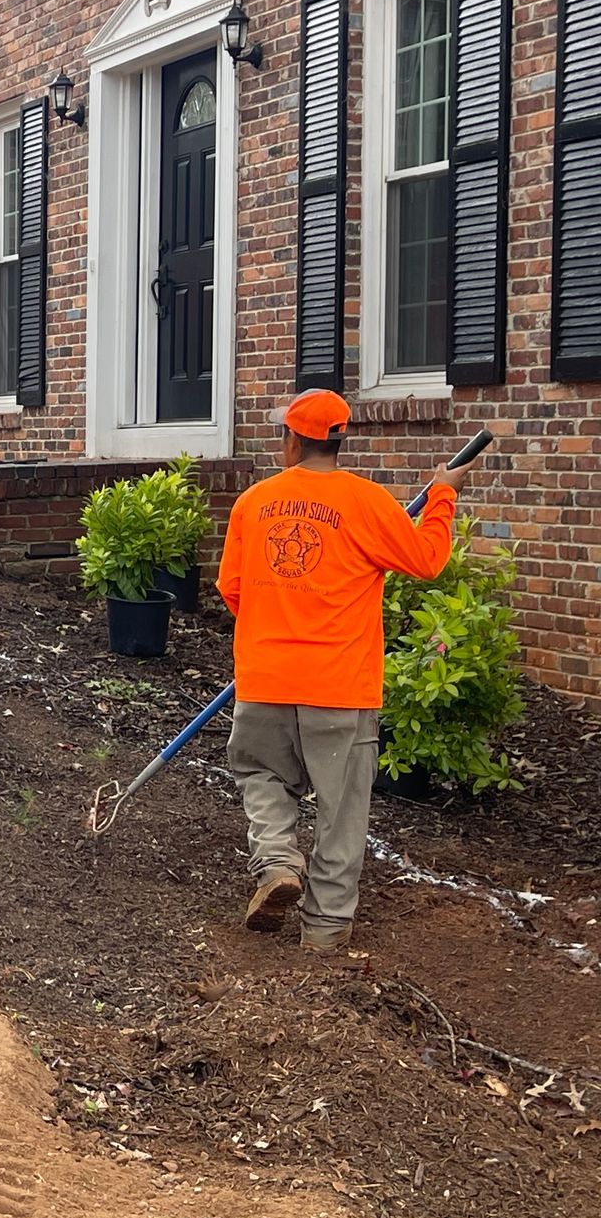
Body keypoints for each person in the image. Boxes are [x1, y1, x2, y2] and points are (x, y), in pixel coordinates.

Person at [216, 389, 476, 953]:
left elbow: (231, 589)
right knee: (341, 811)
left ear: (290, 439)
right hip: (339, 688)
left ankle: (280, 862)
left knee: (260, 775)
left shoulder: (252, 504)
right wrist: (443, 497)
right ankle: (326, 932)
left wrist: (274, 622)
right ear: (340, 439)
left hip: (264, 678)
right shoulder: (369, 503)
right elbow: (427, 560)